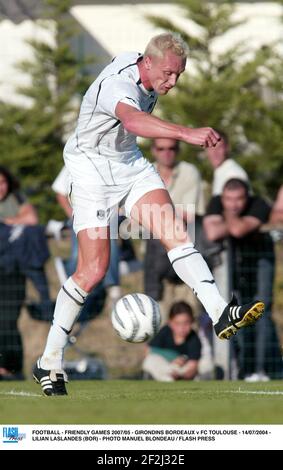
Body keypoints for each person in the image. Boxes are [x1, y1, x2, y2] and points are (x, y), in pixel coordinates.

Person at [33, 32, 264, 396]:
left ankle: (220, 311)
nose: (172, 82)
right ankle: (50, 359)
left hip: (128, 165)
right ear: (149, 62)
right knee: (92, 271)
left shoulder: (140, 61)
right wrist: (186, 133)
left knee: (174, 231)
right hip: (91, 171)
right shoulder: (117, 86)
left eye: (179, 76)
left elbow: (134, 126)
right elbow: (134, 122)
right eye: (169, 74)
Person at [203, 178, 282, 380]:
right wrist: (234, 221)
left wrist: (227, 217)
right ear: (222, 197)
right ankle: (243, 369)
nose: (234, 204)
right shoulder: (215, 201)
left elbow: (237, 230)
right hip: (235, 266)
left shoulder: (259, 204)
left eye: (238, 199)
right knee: (237, 314)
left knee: (261, 311)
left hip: (261, 261)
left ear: (247, 197)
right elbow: (212, 232)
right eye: (228, 200)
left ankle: (261, 370)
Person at [144, 137, 205, 320]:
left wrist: (152, 212)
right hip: (154, 258)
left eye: (171, 148)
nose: (166, 152)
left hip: (186, 253)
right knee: (157, 319)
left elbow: (189, 214)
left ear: (178, 150)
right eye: (161, 148)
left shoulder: (189, 172)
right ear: (154, 150)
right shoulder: (145, 171)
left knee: (188, 320)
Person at [0, 167, 50, 379]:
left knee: (9, 320)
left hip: (13, 271)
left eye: (2, 182)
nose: (0, 187)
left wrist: (5, 223)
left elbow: (31, 218)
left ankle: (11, 367)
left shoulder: (17, 198)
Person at [142, 301, 201, 381]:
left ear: (192, 322)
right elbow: (148, 350)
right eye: (177, 323)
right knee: (150, 361)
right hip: (165, 367)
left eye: (186, 323)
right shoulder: (165, 331)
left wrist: (181, 371)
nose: (182, 328)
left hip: (181, 371)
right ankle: (168, 377)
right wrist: (173, 357)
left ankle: (170, 378)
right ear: (170, 323)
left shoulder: (193, 339)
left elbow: (192, 366)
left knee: (201, 368)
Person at [205, 130, 249, 196]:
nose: (214, 152)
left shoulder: (233, 174)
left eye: (219, 147)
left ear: (227, 148)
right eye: (210, 147)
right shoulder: (221, 171)